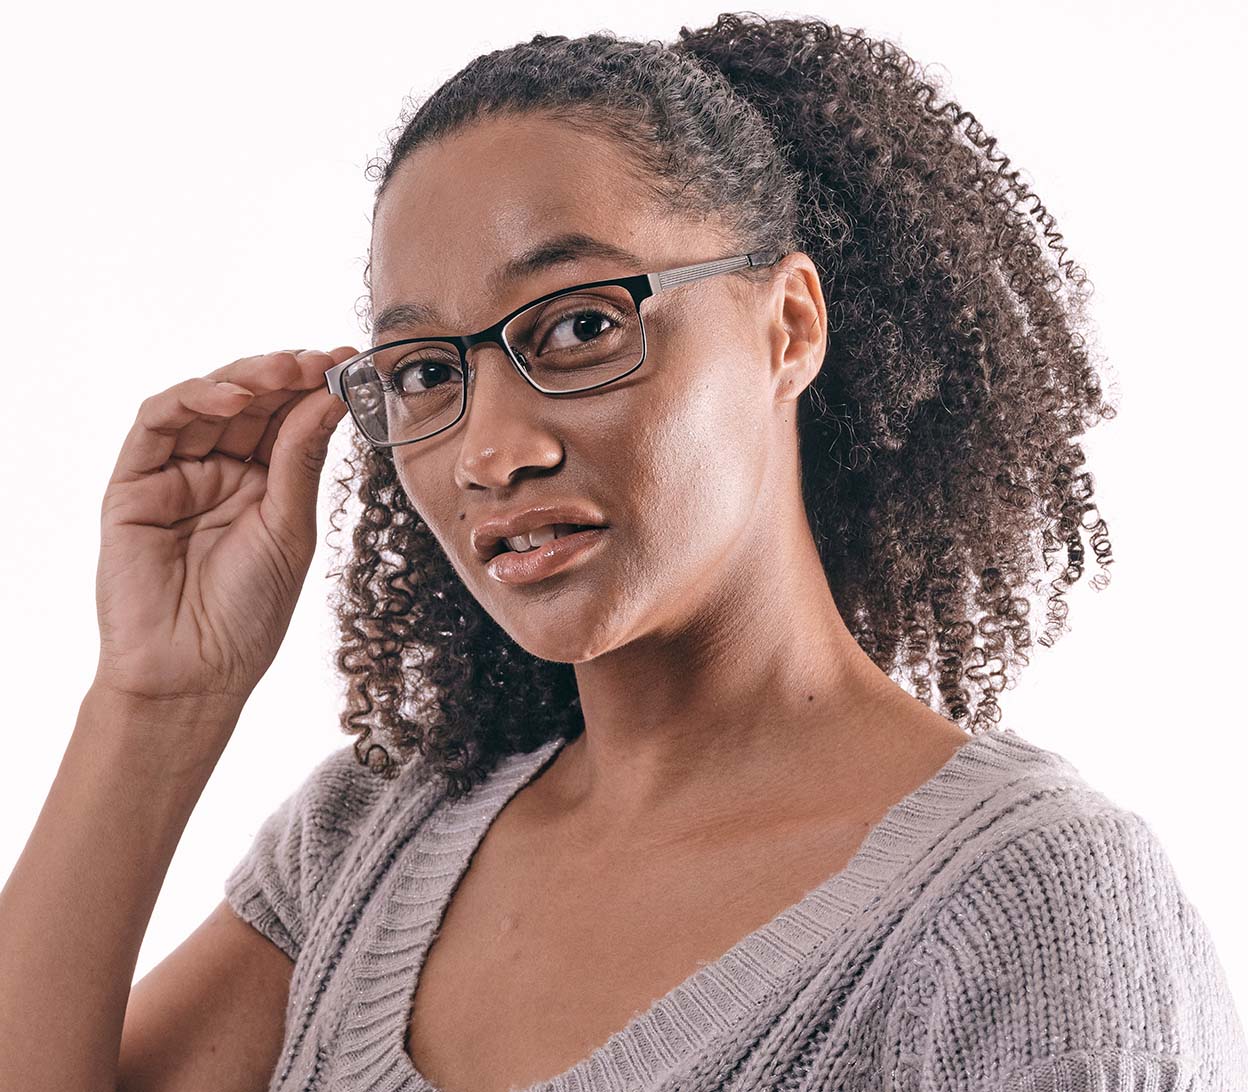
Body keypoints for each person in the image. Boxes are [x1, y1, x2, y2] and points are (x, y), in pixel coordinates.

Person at [2, 11, 1245, 1092]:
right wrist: (158, 700)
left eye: (585, 325)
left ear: (788, 325)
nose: (491, 450)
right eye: (431, 370)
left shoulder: (1035, 906)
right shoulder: (370, 845)